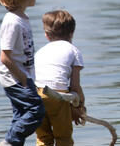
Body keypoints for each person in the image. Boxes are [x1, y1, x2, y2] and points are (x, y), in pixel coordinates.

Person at [0, 0, 46, 146]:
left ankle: (14, 143)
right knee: (36, 110)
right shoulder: (12, 22)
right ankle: (10, 142)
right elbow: (5, 57)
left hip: (22, 76)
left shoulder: (21, 18)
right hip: (15, 78)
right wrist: (23, 78)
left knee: (21, 114)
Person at [35, 10, 85, 146]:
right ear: (72, 32)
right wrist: (79, 107)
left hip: (36, 95)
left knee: (43, 138)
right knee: (63, 138)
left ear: (46, 35)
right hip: (58, 96)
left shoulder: (40, 52)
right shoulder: (73, 50)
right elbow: (75, 86)